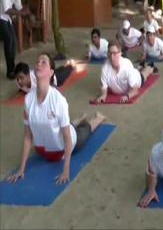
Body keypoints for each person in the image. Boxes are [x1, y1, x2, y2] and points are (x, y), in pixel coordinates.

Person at [7, 52, 107, 185]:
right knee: (58, 124)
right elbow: (27, 136)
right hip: (45, 151)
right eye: (37, 62)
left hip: (67, 146)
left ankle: (97, 118)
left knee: (86, 129)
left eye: (43, 62)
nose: (38, 64)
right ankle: (78, 119)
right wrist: (21, 169)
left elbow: (67, 137)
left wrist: (66, 170)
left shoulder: (58, 100)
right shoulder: (28, 100)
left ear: (51, 72)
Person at [0, 0, 27, 79]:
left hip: (7, 18)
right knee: (9, 40)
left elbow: (18, 4)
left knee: (13, 42)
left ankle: (12, 67)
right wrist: (21, 14)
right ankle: (10, 71)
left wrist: (26, 11)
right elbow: (6, 9)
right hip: (1, 16)